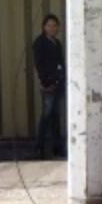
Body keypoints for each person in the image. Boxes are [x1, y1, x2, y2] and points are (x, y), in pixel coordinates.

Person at [32, 13, 65, 159]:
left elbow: (61, 63)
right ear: (44, 27)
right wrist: (45, 82)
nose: (52, 28)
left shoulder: (57, 43)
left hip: (58, 83)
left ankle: (57, 147)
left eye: (54, 25)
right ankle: (39, 147)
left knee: (55, 115)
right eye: (49, 25)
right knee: (46, 115)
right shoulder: (39, 43)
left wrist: (61, 78)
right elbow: (39, 64)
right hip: (48, 85)